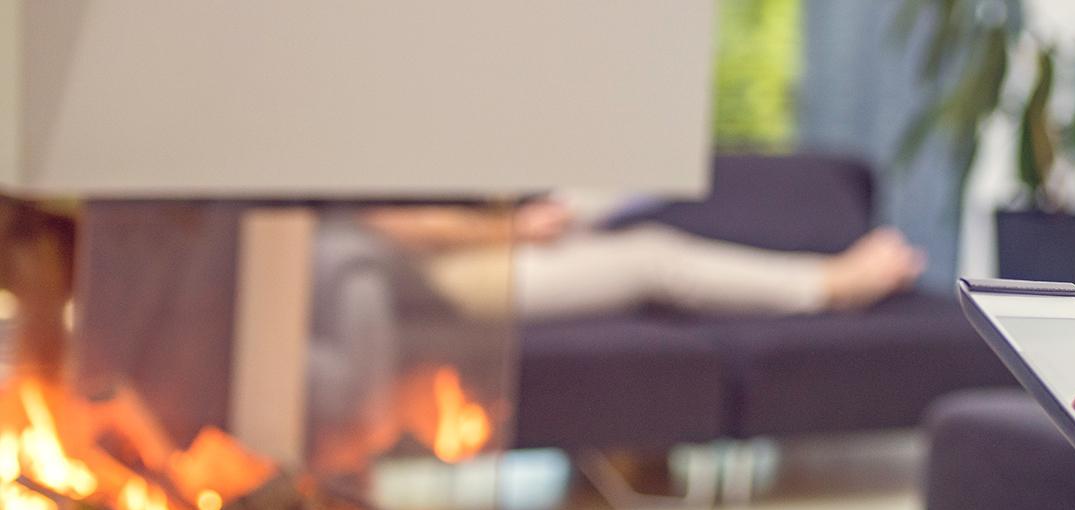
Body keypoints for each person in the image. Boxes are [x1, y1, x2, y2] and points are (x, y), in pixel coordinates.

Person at [359, 193, 925, 320]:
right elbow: (396, 221)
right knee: (652, 255)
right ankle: (829, 283)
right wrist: (514, 230)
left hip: (503, 241)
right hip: (465, 272)